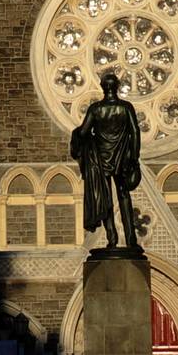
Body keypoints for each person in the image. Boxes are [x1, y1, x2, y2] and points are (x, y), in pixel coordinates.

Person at [70, 72, 141, 249]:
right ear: (117, 86)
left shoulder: (96, 109)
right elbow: (135, 132)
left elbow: (83, 132)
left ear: (102, 87)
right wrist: (134, 157)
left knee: (106, 196)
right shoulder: (126, 107)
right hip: (122, 159)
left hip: (101, 160)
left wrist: (77, 137)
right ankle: (131, 239)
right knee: (124, 195)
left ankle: (112, 239)